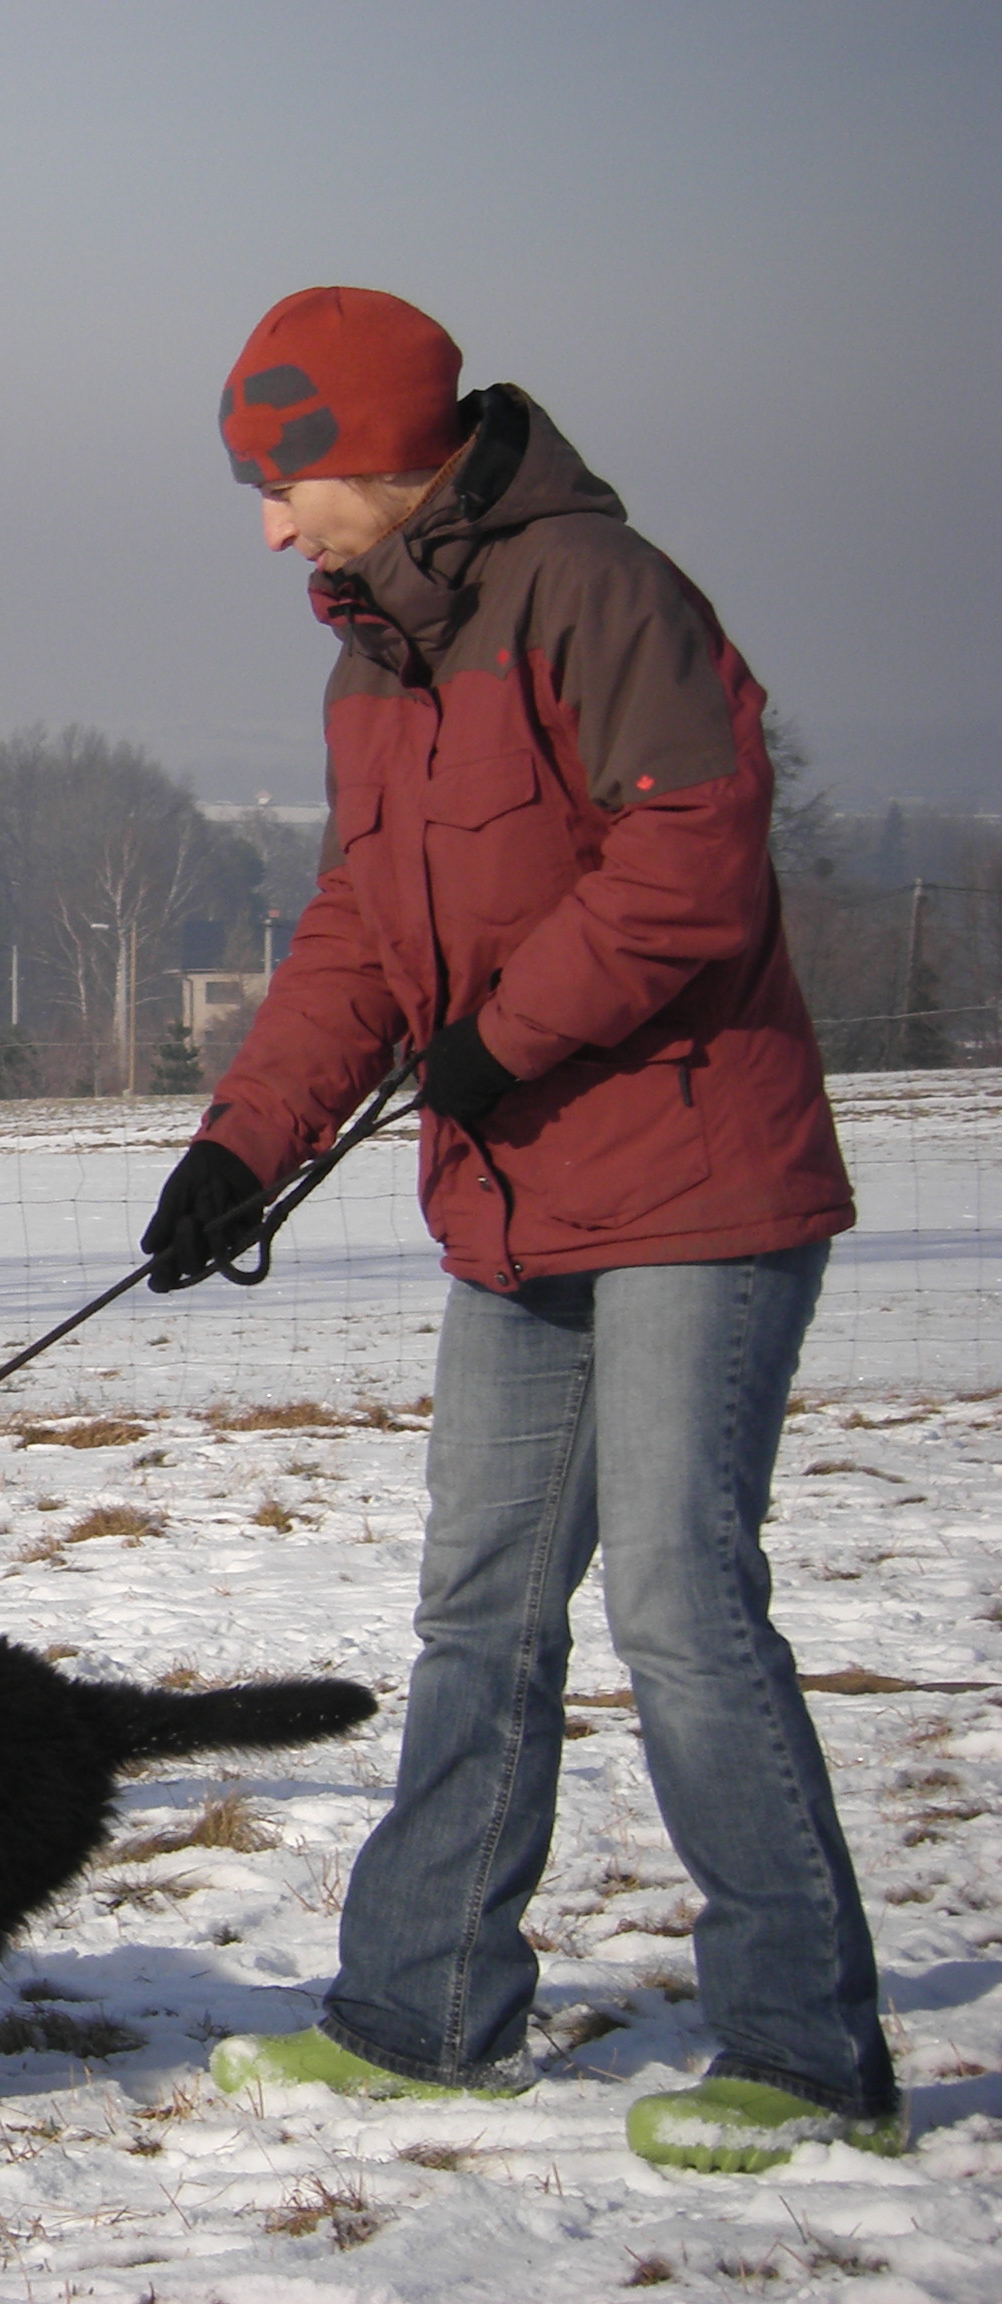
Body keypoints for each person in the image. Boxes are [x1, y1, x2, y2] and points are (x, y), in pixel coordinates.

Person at [143, 289, 898, 2172]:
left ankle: (808, 2053)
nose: (267, 526)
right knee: (479, 1609)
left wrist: (497, 1037)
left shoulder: (599, 592)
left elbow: (691, 867)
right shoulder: (374, 666)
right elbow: (350, 939)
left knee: (682, 1604)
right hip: (512, 1202)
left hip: (692, 1184)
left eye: (283, 477)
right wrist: (242, 1141)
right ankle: (423, 2013)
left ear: (384, 446)